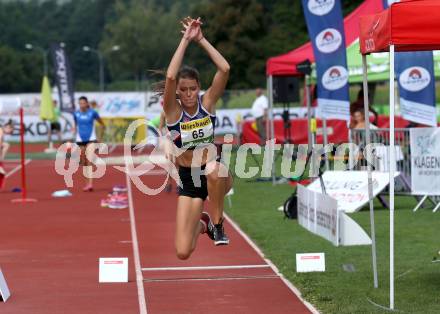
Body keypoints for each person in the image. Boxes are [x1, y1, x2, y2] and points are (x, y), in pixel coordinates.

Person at [162, 16, 232, 259]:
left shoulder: (208, 103)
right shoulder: (173, 112)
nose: (190, 94)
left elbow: (224, 69)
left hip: (215, 175)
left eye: (193, 88)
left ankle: (218, 224)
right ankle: (205, 225)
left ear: (199, 87)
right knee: (183, 251)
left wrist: (201, 39)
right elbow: (170, 77)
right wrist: (185, 39)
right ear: (177, 93)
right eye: (184, 90)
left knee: (214, 169)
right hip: (189, 180)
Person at [73, 96, 105, 192]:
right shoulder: (76, 114)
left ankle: (90, 184)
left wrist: (100, 138)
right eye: (80, 103)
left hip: (91, 139)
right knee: (84, 162)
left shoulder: (93, 113)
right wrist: (74, 129)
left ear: (87, 104)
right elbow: (75, 124)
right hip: (80, 140)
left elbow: (102, 124)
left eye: (83, 103)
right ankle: (87, 183)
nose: (82, 105)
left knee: (89, 160)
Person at [0, 120, 13, 189]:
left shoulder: (1, 132)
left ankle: (1, 160)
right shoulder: (1, 133)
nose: (10, 131)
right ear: (6, 127)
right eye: (10, 129)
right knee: (2, 173)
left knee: (6, 145)